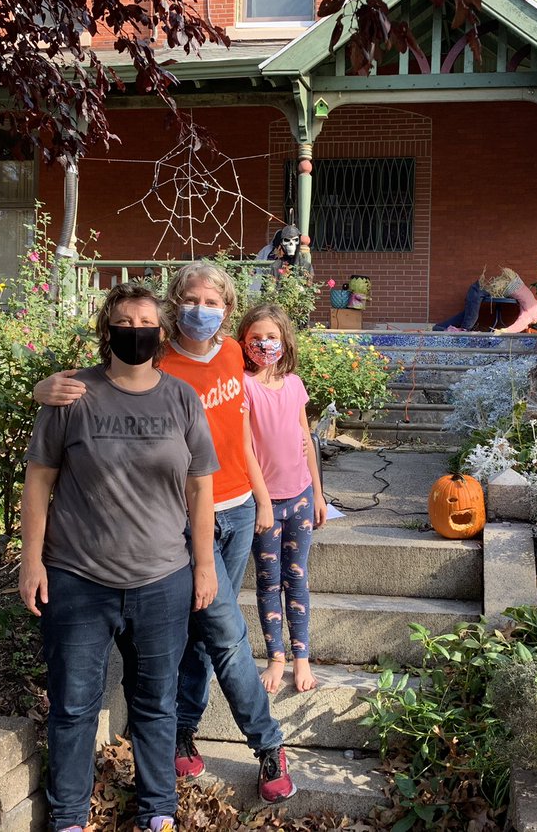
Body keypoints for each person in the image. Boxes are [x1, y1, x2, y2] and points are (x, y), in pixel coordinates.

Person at [33, 263, 296, 805]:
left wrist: (264, 493)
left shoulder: (229, 353)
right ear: (176, 306)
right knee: (223, 631)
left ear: (226, 307)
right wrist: (42, 388)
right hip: (180, 522)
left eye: (214, 300)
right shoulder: (157, 359)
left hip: (238, 510)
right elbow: (97, 386)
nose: (204, 309)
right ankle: (266, 743)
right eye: (192, 299)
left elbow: (245, 421)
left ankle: (183, 732)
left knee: (203, 629)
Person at [19, 282, 218, 832]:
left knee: (155, 702)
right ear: (107, 330)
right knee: (74, 704)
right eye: (124, 323)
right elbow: (39, 481)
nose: (136, 332)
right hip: (78, 579)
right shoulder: (70, 394)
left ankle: (158, 809)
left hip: (163, 579)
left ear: (161, 332)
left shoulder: (182, 399)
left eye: (146, 324)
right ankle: (68, 815)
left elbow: (201, 489)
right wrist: (30, 561)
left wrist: (204, 565)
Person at [236, 304, 328, 694]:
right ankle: (276, 657)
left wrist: (319, 494)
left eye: (271, 336)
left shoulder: (293, 383)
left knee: (298, 577)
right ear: (244, 341)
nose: (264, 343)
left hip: (302, 497)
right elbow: (244, 448)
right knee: (269, 581)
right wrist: (260, 502)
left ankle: (301, 655)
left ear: (284, 340)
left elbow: (306, 439)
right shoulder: (242, 385)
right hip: (267, 503)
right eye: (256, 337)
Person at [431, 268, 537, 333]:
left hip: (513, 282)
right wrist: (502, 332)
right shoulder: (532, 314)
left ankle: (440, 327)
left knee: (471, 312)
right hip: (505, 287)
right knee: (470, 319)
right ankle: (460, 329)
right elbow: (518, 325)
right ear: (536, 323)